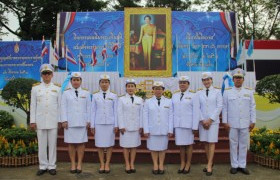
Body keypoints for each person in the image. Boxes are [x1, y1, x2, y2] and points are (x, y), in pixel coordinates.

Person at [222, 68, 256, 175]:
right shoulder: (227, 92)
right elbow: (224, 108)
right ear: (233, 79)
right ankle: (234, 165)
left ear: (243, 79)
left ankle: (242, 165)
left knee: (243, 144)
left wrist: (253, 121)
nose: (238, 80)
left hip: (245, 123)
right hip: (232, 123)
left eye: (240, 78)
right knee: (233, 144)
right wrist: (225, 121)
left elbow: (252, 107)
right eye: (236, 78)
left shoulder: (249, 91)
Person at [30, 64, 60, 176]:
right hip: (40, 120)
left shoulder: (57, 88)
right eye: (44, 73)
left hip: (53, 120)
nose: (46, 75)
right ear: (41, 75)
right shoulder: (35, 88)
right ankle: (42, 166)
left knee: (52, 144)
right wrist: (32, 121)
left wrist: (60, 120)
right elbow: (33, 105)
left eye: (48, 73)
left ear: (52, 75)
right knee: (41, 145)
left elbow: (60, 105)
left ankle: (52, 166)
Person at [60, 72, 91, 174]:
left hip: (82, 122)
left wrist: (88, 120)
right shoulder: (66, 93)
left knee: (81, 144)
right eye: (74, 80)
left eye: (78, 80)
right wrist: (64, 120)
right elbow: (63, 107)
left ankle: (79, 164)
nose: (76, 82)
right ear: (71, 81)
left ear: (81, 81)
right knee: (71, 144)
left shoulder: (86, 93)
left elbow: (89, 108)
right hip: (70, 122)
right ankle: (73, 163)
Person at [143, 81, 173, 175]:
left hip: (164, 129)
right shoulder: (148, 102)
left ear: (163, 90)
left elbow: (171, 116)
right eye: (156, 88)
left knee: (162, 148)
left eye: (160, 88)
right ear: (153, 90)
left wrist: (170, 129)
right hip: (152, 129)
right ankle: (155, 164)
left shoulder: (169, 101)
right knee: (153, 148)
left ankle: (161, 165)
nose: (158, 90)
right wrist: (146, 130)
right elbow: (145, 116)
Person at [90, 74, 118, 174]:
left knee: (110, 144)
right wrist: (92, 125)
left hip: (110, 123)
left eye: (106, 82)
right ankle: (102, 164)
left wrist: (116, 125)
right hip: (99, 123)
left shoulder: (114, 95)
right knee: (100, 145)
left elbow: (116, 111)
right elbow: (93, 111)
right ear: (99, 84)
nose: (104, 84)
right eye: (102, 82)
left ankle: (107, 164)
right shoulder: (95, 95)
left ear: (109, 84)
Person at [172, 76, 199, 174]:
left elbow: (196, 112)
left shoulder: (193, 95)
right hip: (178, 125)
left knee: (189, 145)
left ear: (188, 84)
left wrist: (195, 126)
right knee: (181, 145)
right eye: (180, 82)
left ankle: (188, 164)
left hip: (188, 125)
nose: (182, 84)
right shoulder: (174, 95)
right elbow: (172, 111)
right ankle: (182, 163)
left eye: (184, 82)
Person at [197, 72, 223, 176]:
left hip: (213, 122)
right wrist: (203, 120)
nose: (206, 82)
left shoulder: (217, 91)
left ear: (211, 80)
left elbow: (219, 106)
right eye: (204, 80)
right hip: (203, 122)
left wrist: (210, 120)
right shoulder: (199, 93)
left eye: (208, 79)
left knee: (211, 142)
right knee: (206, 143)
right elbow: (197, 107)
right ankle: (209, 162)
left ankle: (209, 165)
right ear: (202, 82)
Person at [118, 79, 143, 174]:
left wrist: (141, 126)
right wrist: (121, 126)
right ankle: (127, 164)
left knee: (133, 146)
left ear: (135, 88)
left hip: (136, 127)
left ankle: (132, 163)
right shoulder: (121, 99)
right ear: (126, 88)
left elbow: (141, 114)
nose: (130, 88)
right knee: (125, 146)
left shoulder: (139, 99)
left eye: (132, 86)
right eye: (128, 86)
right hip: (125, 127)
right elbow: (119, 113)